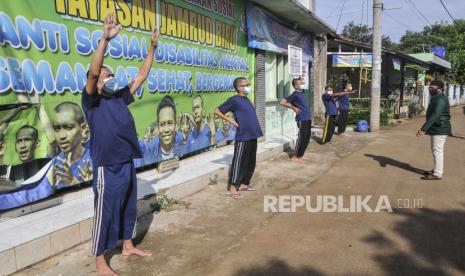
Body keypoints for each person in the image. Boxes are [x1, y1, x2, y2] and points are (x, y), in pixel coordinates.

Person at [82, 13, 157, 276]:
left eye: (110, 74)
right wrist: (105, 39)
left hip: (126, 161)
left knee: (127, 206)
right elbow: (93, 72)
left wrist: (152, 49)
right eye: (106, 74)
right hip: (107, 165)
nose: (109, 76)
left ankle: (127, 245)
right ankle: (100, 260)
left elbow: (141, 76)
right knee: (105, 211)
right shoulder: (91, 100)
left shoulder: (119, 97)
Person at [214, 77, 263, 199]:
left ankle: (244, 183)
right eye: (245, 85)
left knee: (250, 162)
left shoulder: (247, 99)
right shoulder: (234, 100)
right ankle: (232, 187)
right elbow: (217, 111)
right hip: (243, 136)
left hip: (253, 135)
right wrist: (232, 121)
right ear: (238, 87)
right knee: (238, 162)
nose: (248, 87)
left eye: (249, 84)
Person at [45, 102, 92, 188]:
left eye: (69, 128)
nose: (62, 136)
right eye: (57, 129)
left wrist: (73, 182)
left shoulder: (94, 158)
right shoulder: (53, 164)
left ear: (83, 128)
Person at [416, 80, 451, 180]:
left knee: (437, 150)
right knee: (435, 149)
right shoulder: (437, 97)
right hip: (438, 127)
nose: (430, 89)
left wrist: (423, 129)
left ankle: (437, 173)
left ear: (439, 88)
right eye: (430, 87)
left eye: (433, 87)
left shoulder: (440, 99)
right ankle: (436, 169)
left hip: (440, 128)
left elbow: (435, 115)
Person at [279, 78, 312, 161]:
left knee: (307, 137)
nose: (302, 84)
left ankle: (300, 154)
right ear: (296, 86)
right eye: (300, 83)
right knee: (302, 137)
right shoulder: (295, 94)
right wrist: (293, 107)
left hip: (308, 117)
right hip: (302, 118)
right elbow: (282, 102)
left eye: (302, 83)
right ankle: (295, 156)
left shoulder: (302, 93)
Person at [146, 95, 184, 162]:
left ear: (176, 125)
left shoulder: (182, 142)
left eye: (170, 123)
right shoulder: (150, 149)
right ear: (158, 127)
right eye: (162, 124)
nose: (166, 130)